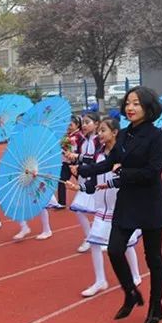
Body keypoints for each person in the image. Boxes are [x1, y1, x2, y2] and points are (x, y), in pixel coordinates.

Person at [76, 86, 162, 323]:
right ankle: (130, 292)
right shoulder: (125, 135)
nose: (130, 107)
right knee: (115, 250)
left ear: (148, 107)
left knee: (154, 258)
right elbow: (109, 162)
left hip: (149, 201)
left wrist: (123, 173)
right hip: (127, 202)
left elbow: (153, 172)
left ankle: (156, 307)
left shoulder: (158, 137)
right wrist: (84, 170)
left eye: (136, 103)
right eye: (128, 102)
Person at [68, 117, 142, 297]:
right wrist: (79, 186)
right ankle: (100, 280)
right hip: (102, 207)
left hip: (120, 205)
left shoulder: (124, 154)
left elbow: (131, 178)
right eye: (99, 130)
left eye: (103, 130)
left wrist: (116, 177)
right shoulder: (99, 153)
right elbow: (94, 177)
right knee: (94, 241)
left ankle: (135, 274)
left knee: (126, 243)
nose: (100, 134)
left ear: (115, 132)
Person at [65, 113, 102, 253]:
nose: (84, 125)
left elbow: (97, 159)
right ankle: (89, 237)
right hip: (84, 179)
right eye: (83, 122)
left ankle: (104, 237)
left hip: (98, 180)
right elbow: (81, 158)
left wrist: (79, 157)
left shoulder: (99, 140)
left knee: (103, 211)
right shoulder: (82, 140)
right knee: (79, 209)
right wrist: (73, 161)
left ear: (97, 124)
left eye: (88, 122)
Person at [58, 116, 85, 209]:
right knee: (61, 180)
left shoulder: (79, 136)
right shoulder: (67, 135)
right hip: (66, 162)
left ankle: (88, 199)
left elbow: (76, 146)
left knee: (82, 181)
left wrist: (65, 142)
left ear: (77, 125)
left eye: (71, 125)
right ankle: (62, 203)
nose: (68, 127)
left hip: (76, 163)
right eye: (67, 125)